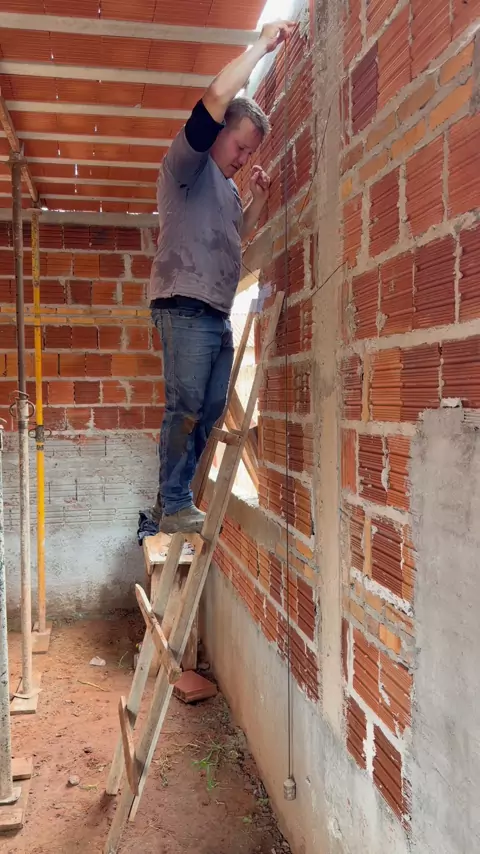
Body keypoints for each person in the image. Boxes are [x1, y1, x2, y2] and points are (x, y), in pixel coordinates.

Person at [149, 20, 295, 535]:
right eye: (241, 146)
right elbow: (214, 97)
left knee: (211, 408)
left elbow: (236, 238)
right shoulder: (186, 166)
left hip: (215, 310)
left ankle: (174, 497)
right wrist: (260, 46)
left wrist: (257, 201)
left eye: (251, 153)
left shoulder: (229, 191)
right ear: (219, 132)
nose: (244, 159)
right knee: (186, 406)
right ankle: (173, 501)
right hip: (184, 303)